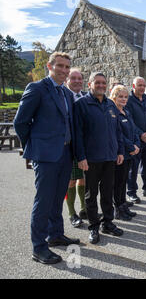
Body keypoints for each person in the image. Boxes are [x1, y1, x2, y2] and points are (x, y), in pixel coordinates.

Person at [14, 52, 79, 264]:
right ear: (49, 67)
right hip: (46, 156)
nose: (64, 70)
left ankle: (55, 234)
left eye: (67, 67)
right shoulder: (37, 89)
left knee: (58, 197)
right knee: (43, 202)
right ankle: (39, 248)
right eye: (60, 66)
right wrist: (33, 147)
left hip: (65, 154)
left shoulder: (67, 94)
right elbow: (20, 122)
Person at [74, 72, 124, 244]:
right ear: (90, 84)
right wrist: (81, 157)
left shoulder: (111, 104)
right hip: (91, 159)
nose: (101, 85)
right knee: (91, 194)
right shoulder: (81, 104)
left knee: (107, 192)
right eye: (98, 83)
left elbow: (117, 131)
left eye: (104, 83)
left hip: (110, 157)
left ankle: (108, 222)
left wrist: (120, 151)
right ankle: (94, 226)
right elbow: (77, 134)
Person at [110, 85, 140, 221]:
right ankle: (118, 209)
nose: (123, 99)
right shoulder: (113, 112)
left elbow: (133, 130)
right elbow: (119, 135)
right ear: (114, 97)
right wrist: (131, 147)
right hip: (121, 153)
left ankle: (123, 206)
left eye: (125, 97)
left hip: (130, 152)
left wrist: (137, 145)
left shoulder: (126, 111)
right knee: (118, 182)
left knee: (123, 182)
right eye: (120, 96)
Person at [125, 77, 146, 203]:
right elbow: (130, 120)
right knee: (133, 167)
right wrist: (141, 134)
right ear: (133, 86)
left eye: (143, 85)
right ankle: (131, 192)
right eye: (139, 85)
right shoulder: (129, 101)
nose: (142, 88)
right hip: (135, 140)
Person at [65, 68, 87, 228]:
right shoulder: (64, 97)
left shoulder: (85, 96)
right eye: (74, 78)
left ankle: (84, 209)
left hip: (84, 145)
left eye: (80, 78)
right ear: (67, 80)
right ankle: (72, 213)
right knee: (71, 180)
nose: (77, 81)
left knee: (83, 178)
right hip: (69, 146)